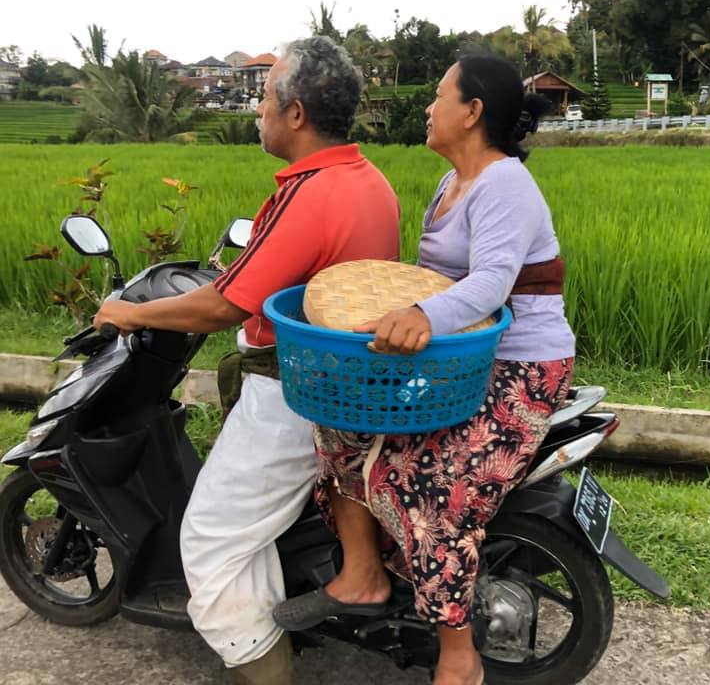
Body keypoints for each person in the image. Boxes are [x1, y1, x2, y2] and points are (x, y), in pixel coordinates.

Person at [93, 36, 401, 685]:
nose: (257, 110)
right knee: (243, 533)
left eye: (264, 98)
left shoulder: (314, 192)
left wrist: (133, 313)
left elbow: (224, 309)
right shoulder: (364, 179)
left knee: (208, 542)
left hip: (291, 393)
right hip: (337, 382)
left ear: (296, 115)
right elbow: (289, 273)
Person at [273, 54, 576, 685]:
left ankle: (459, 658)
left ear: (472, 113)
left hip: (520, 368)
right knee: (339, 431)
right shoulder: (451, 186)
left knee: (432, 494)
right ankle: (362, 576)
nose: (429, 107)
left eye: (440, 96)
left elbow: (491, 283)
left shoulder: (504, 184)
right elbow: (432, 279)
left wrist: (421, 316)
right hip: (460, 361)